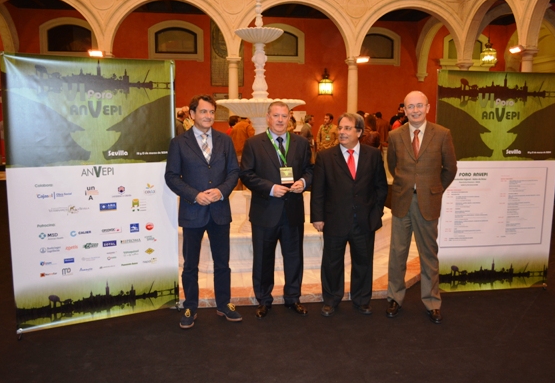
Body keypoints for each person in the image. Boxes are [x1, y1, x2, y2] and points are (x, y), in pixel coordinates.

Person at [165, 94, 242, 329]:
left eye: (211, 112)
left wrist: (221, 191)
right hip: (193, 210)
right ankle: (190, 306)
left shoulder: (224, 140)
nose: (208, 116)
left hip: (219, 211)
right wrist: (194, 195)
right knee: (190, 264)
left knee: (222, 263)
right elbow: (171, 176)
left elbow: (234, 172)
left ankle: (224, 304)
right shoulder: (179, 143)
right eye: (203, 111)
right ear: (192, 114)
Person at [386, 90, 457, 324]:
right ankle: (394, 298)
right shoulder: (395, 135)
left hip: (428, 202)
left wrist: (435, 189)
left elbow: (450, 169)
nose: (415, 110)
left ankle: (432, 301)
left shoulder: (442, 134)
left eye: (419, 106)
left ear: (427, 108)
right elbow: (393, 165)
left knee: (428, 254)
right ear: (404, 110)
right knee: (397, 253)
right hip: (402, 201)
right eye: (410, 106)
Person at [240, 101, 314, 319]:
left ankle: (293, 298)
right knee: (263, 259)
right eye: (276, 115)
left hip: (293, 211)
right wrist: (270, 188)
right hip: (265, 212)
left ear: (290, 118)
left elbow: (310, 169)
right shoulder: (254, 144)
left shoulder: (301, 143)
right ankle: (264, 300)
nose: (280, 120)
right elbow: (246, 174)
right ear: (268, 117)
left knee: (294, 258)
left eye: (284, 116)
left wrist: (303, 182)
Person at [311, 112, 388, 316]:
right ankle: (331, 299)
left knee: (363, 262)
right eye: (340, 128)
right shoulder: (326, 157)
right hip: (334, 220)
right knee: (332, 262)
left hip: (364, 221)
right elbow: (318, 190)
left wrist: (376, 213)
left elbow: (381, 187)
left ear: (359, 132)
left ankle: (362, 299)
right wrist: (317, 217)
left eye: (347, 128)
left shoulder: (373, 155)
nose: (342, 132)